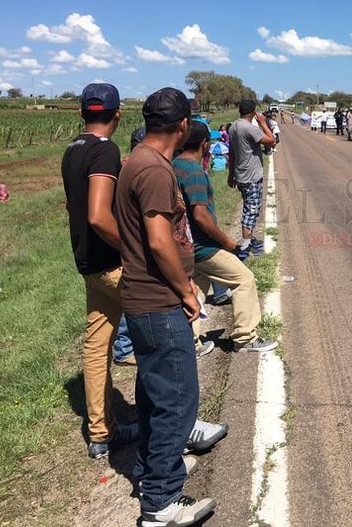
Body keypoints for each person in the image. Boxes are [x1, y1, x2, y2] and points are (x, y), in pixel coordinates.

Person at [116, 87, 216, 527]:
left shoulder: (137, 159)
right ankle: (160, 502)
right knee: (177, 400)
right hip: (157, 300)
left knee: (156, 396)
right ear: (182, 126)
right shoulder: (154, 170)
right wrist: (186, 291)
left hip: (143, 299)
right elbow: (159, 241)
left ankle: (150, 472)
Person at [61, 83, 139, 459]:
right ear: (118, 114)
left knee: (96, 346)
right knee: (163, 333)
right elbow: (97, 214)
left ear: (81, 113)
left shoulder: (72, 149)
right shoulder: (106, 150)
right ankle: (169, 424)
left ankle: (100, 433)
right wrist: (132, 248)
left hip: (87, 264)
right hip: (112, 264)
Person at [174, 121, 277, 353]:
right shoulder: (193, 172)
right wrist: (227, 242)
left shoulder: (174, 165)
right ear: (204, 143)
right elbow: (201, 216)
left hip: (185, 245)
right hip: (203, 247)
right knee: (244, 279)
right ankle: (245, 337)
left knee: (196, 292)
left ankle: (190, 344)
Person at [228, 99, 275, 260]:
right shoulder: (249, 128)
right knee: (251, 211)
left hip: (241, 174)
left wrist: (231, 174)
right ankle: (245, 246)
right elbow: (271, 140)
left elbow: (232, 152)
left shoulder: (234, 126)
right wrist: (262, 123)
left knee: (250, 207)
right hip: (251, 176)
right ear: (254, 113)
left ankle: (249, 239)